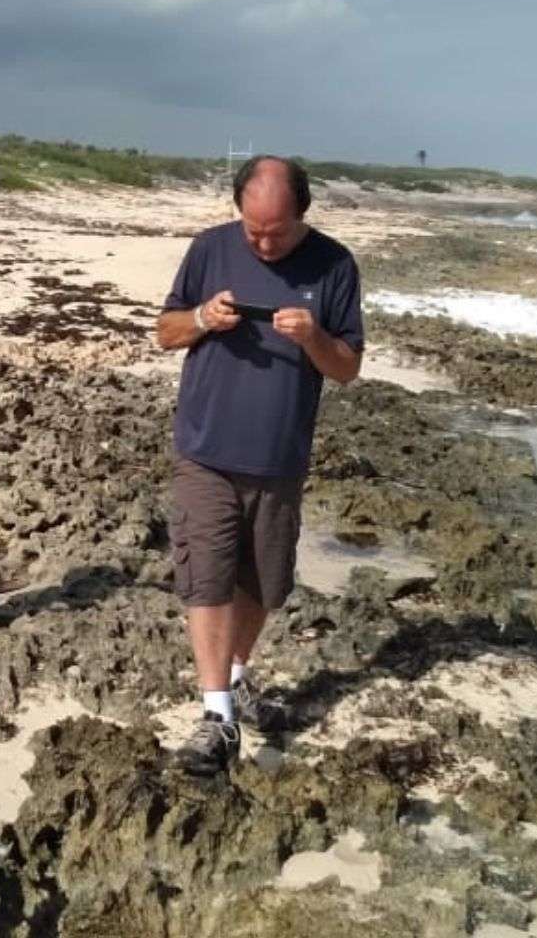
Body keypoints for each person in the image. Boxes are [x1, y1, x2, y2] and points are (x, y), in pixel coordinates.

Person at [155, 155, 364, 775]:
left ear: (302, 214)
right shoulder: (209, 250)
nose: (263, 242)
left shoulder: (335, 265)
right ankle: (216, 715)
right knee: (207, 576)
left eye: (276, 231)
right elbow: (165, 331)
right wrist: (199, 319)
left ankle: (238, 674)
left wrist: (313, 338)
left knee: (262, 584)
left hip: (279, 459)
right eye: (252, 229)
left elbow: (347, 368)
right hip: (205, 450)